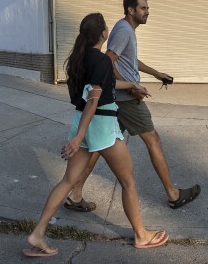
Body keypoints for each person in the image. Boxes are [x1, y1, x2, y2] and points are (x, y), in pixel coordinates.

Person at [23, 13, 168, 257]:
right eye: (107, 29)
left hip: (83, 120)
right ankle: (142, 236)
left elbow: (103, 85)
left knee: (68, 181)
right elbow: (94, 100)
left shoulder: (78, 59)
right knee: (128, 182)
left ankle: (38, 233)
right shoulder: (100, 60)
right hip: (100, 124)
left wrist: (132, 86)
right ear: (103, 34)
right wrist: (79, 138)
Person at [67, 0, 201, 212]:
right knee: (153, 140)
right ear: (131, 10)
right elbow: (108, 61)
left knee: (100, 147)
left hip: (117, 99)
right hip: (125, 100)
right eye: (143, 8)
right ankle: (173, 194)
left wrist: (157, 74)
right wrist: (130, 88)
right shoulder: (124, 31)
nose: (147, 11)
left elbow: (129, 59)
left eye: (147, 7)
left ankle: (75, 194)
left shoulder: (125, 29)